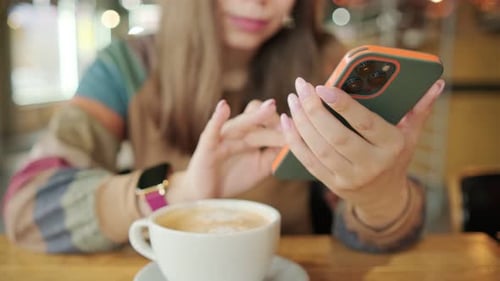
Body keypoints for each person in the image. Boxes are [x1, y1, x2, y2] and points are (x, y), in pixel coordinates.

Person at [2, 0, 445, 254]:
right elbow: (26, 210)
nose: (260, 1)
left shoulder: (323, 65)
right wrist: (180, 192)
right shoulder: (127, 67)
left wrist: (381, 197)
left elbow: (380, 241)